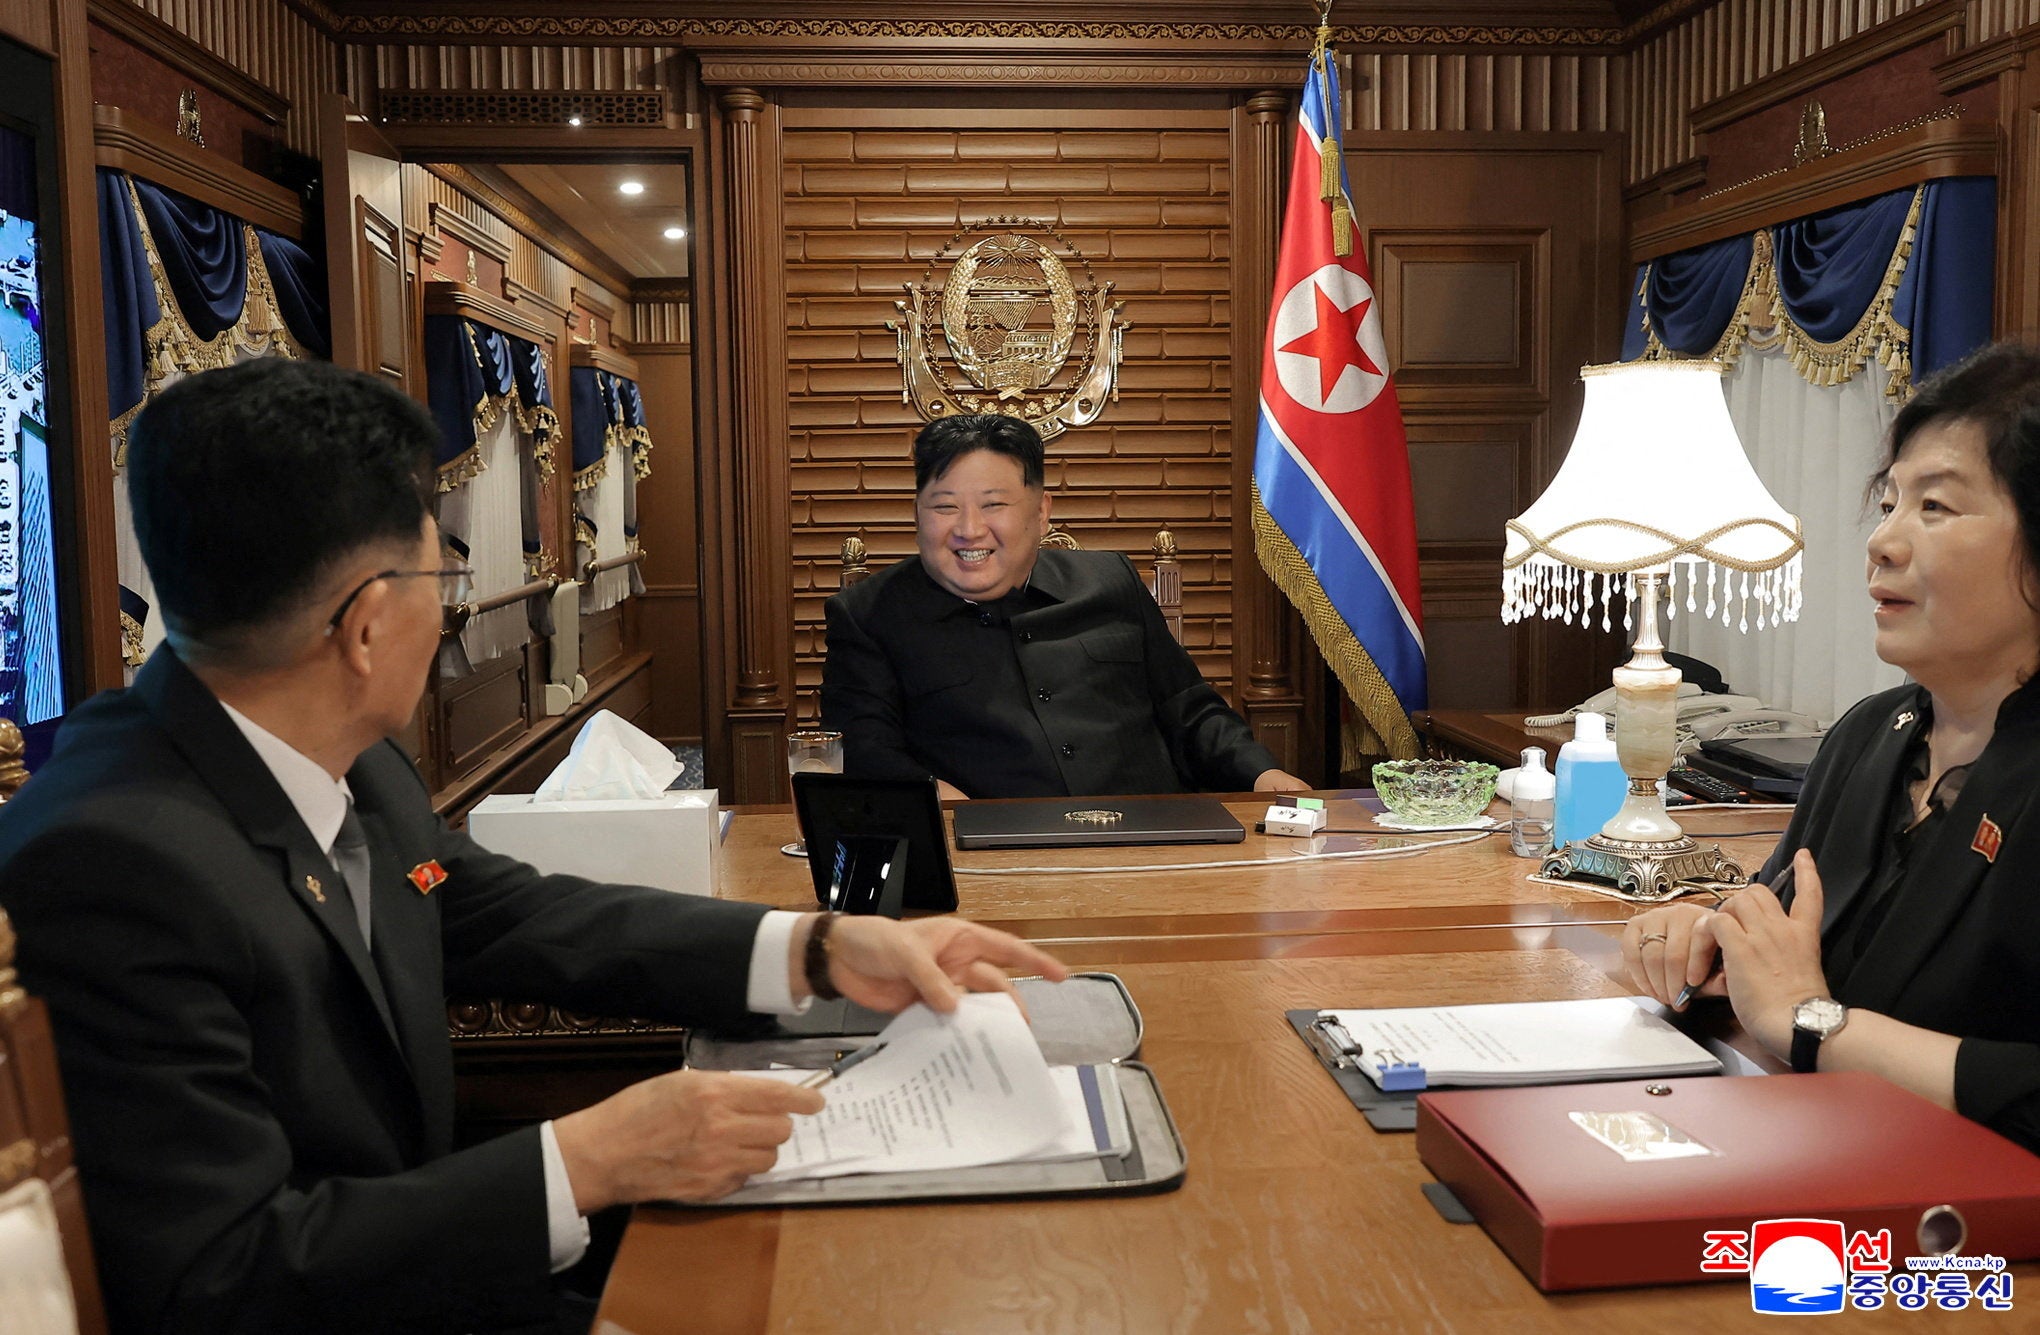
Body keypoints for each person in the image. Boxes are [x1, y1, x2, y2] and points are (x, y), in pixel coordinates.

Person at [0, 359, 1068, 1334]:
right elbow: (216, 1280)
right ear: (369, 626)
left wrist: (818, 949)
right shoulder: (111, 862)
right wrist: (588, 1157)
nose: (448, 608)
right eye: (442, 583)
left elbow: (499, 912)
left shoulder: (347, 756)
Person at [1623, 341, 2040, 1151]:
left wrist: (1814, 1022)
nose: (1884, 541)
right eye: (1888, 503)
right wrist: (1707, 941)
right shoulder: (1871, 735)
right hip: (1807, 1153)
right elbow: (1784, 937)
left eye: (1936, 508)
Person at [821, 413, 1307, 799]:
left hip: (1150, 843)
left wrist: (1262, 775)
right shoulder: (868, 615)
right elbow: (864, 749)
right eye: (944, 506)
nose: (968, 529)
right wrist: (931, 797)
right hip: (985, 857)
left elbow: (1189, 710)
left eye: (993, 505)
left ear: (1041, 511)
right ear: (917, 512)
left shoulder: (1111, 580)